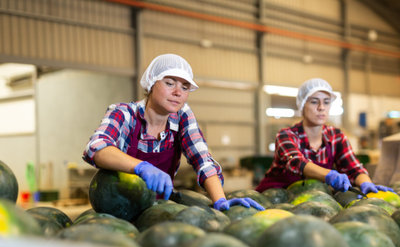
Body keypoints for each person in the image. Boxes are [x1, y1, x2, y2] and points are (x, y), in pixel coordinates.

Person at [83, 53, 264, 211]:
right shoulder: (124, 114)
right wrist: (141, 167)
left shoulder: (182, 115)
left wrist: (220, 200)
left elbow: (203, 160)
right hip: (118, 206)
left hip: (158, 210)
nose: (178, 92)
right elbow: (97, 148)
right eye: (169, 83)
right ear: (152, 84)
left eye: (185, 87)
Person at [255, 78, 392, 195]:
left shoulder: (336, 137)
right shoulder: (286, 135)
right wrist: (328, 175)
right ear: (302, 105)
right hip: (275, 197)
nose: (321, 107)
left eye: (326, 102)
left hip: (309, 199)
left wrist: (366, 184)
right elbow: (296, 162)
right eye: (314, 102)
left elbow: (354, 169)